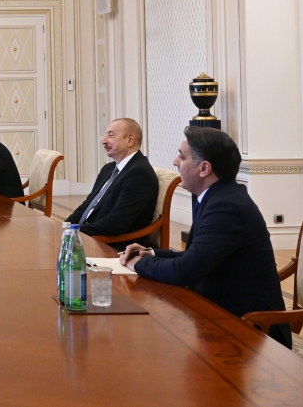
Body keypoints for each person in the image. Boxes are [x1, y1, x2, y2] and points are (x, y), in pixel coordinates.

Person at [121, 127, 291, 349]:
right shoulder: (218, 196)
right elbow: (197, 256)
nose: (175, 162)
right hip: (222, 314)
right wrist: (151, 253)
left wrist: (139, 263)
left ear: (204, 168)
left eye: (182, 156)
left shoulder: (227, 207)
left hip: (253, 331)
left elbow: (186, 271)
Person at [66, 118, 158, 250]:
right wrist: (65, 228)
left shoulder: (139, 174)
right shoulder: (108, 169)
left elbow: (116, 223)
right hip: (87, 237)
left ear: (130, 140)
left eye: (111, 135)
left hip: (109, 246)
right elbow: (87, 206)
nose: (104, 141)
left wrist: (75, 233)